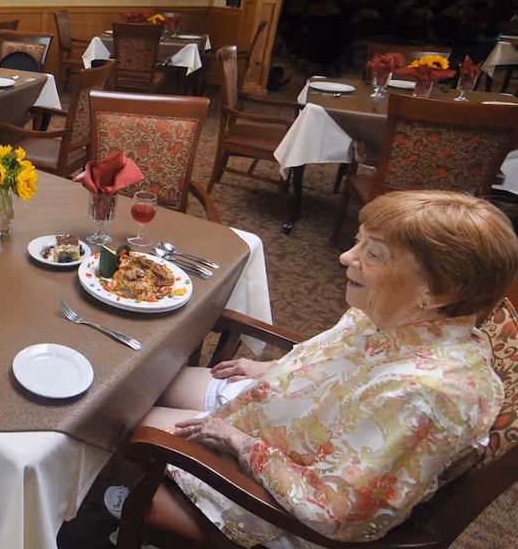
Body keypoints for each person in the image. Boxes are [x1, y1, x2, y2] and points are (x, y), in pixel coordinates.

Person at [120, 191, 518, 548]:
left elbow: (333, 513)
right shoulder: (404, 314)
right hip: (286, 416)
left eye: (374, 253)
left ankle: (142, 517)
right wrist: (273, 366)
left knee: (124, 422)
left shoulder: (423, 396)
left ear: (440, 291)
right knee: (142, 385)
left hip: (280, 505)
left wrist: (238, 442)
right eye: (358, 241)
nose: (347, 257)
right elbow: (340, 361)